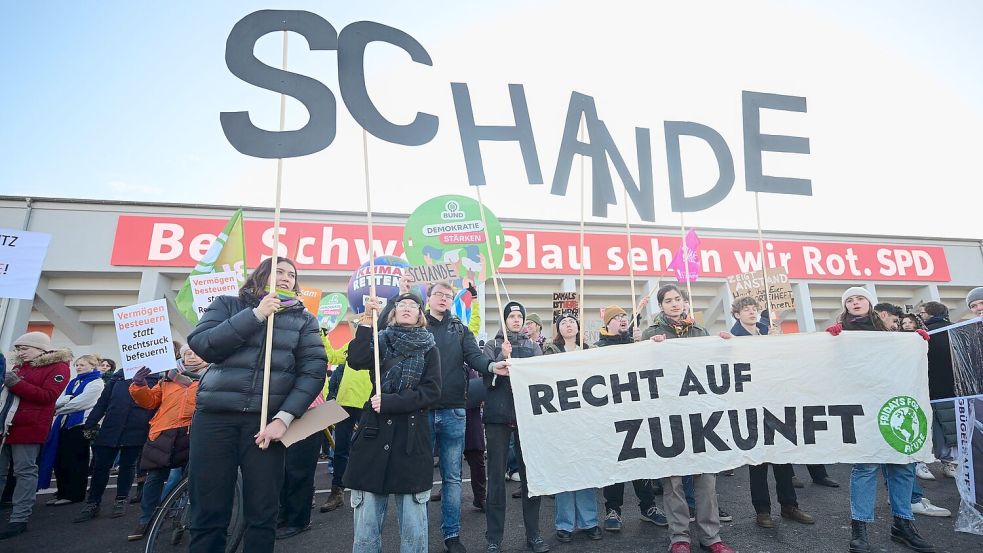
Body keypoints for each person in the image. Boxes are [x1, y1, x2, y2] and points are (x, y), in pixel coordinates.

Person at [186, 257, 327, 553]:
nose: (287, 278)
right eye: (280, 272)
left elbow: (313, 371)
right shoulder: (227, 305)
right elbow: (204, 345)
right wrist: (256, 315)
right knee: (208, 509)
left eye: (292, 274)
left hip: (266, 423)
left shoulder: (304, 320)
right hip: (215, 418)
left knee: (262, 512)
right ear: (261, 274)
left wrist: (284, 419)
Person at [381, 277, 500, 553]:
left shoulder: (460, 329)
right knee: (419, 475)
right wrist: (397, 296)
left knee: (452, 478)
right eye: (439, 294)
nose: (444, 298)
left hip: (455, 411)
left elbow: (475, 358)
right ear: (429, 298)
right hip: (420, 411)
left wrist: (493, 367)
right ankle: (417, 533)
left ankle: (452, 535)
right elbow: (382, 335)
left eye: (449, 295)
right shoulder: (415, 328)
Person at [826, 287, 935, 553]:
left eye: (859, 298)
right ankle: (859, 529)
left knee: (902, 465)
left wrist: (916, 343)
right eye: (849, 299)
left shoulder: (890, 334)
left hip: (890, 404)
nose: (855, 302)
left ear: (869, 303)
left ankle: (903, 524)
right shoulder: (839, 333)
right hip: (861, 408)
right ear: (845, 306)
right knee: (865, 467)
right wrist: (828, 342)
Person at [343, 292, 441, 553]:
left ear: (421, 314)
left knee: (413, 531)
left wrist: (392, 401)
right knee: (366, 530)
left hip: (411, 442)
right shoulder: (380, 340)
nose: (407, 308)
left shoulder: (430, 348)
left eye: (413, 305)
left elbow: (431, 392)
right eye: (402, 305)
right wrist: (366, 319)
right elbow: (356, 359)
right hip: (373, 438)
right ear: (393, 311)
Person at [643, 284, 735, 553]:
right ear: (660, 306)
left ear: (685, 302)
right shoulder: (651, 334)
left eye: (678, 299)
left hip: (699, 415)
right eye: (668, 300)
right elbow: (641, 371)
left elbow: (712, 365)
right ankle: (679, 538)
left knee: (706, 479)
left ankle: (711, 537)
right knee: (673, 482)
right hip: (668, 416)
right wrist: (650, 348)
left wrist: (723, 345)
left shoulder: (700, 332)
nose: (674, 304)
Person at [728, 298, 815, 529]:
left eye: (754, 309)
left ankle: (789, 505)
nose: (751, 312)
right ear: (737, 315)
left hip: (777, 401)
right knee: (758, 462)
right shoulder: (732, 337)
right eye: (746, 309)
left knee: (783, 457)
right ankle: (763, 510)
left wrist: (778, 342)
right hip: (752, 404)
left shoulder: (769, 331)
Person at [481, 301, 549, 553]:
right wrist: (501, 356)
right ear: (504, 319)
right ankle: (494, 538)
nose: (517, 320)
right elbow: (485, 379)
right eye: (512, 316)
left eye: (520, 316)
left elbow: (540, 379)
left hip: (526, 419)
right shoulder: (492, 345)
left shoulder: (533, 347)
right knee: (496, 479)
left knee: (531, 479)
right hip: (498, 417)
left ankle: (534, 534)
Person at [595, 302, 668, 532]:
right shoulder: (598, 348)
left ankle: (648, 507)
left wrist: (646, 345)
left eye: (625, 316)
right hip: (612, 416)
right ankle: (613, 510)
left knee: (641, 462)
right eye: (617, 317)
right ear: (608, 324)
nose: (623, 319)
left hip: (638, 413)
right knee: (616, 464)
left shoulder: (636, 344)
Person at [125, 344, 209, 541]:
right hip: (163, 433)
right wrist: (139, 386)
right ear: (182, 356)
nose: (192, 356)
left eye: (197, 353)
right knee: (154, 478)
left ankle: (180, 519)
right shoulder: (167, 377)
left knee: (189, 480)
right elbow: (150, 402)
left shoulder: (211, 376)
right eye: (188, 353)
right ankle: (146, 520)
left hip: (193, 432)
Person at [0, 332, 71, 540]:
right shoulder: (20, 367)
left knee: (24, 471)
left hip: (29, 427)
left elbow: (48, 396)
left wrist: (16, 383)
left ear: (41, 348)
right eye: (18, 349)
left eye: (24, 348)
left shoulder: (59, 367)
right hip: (7, 425)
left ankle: (19, 518)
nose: (20, 353)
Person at [543, 313, 602, 543]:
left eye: (572, 322)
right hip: (560, 419)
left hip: (585, 418)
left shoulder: (589, 350)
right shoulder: (550, 350)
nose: (568, 325)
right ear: (558, 328)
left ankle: (590, 522)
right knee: (564, 471)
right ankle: (565, 524)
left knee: (585, 470)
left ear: (579, 327)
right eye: (564, 322)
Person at [74, 357, 155, 522]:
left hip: (137, 430)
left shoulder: (155, 379)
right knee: (100, 467)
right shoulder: (117, 377)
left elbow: (155, 406)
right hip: (111, 428)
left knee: (127, 466)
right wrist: (90, 423)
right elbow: (102, 403)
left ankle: (121, 499)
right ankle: (93, 502)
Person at [39, 354, 105, 506]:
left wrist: (59, 409)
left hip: (79, 425)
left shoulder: (96, 383)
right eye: (77, 365)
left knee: (75, 461)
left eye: (82, 365)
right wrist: (60, 405)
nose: (78, 367)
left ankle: (74, 494)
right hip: (64, 423)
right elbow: (61, 399)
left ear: (92, 366)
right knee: (61, 460)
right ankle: (62, 491)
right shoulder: (74, 382)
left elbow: (81, 402)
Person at [319, 322, 371, 514]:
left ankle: (368, 493)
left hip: (369, 403)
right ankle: (337, 492)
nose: (357, 327)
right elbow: (331, 356)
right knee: (341, 449)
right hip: (345, 401)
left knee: (367, 449)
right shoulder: (351, 345)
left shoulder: (380, 344)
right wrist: (322, 336)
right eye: (356, 325)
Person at [919, 301, 958, 479]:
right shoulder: (957, 330)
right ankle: (949, 463)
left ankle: (920, 463)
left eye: (921, 313)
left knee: (923, 426)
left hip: (923, 386)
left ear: (929, 314)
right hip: (951, 387)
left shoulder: (921, 333)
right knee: (949, 427)